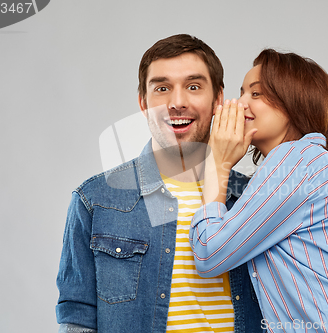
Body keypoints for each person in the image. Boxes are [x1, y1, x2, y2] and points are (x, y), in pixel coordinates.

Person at [56, 34, 263, 333]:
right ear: (143, 102)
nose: (177, 102)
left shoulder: (258, 198)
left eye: (193, 87)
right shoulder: (94, 201)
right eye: (162, 88)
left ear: (218, 99)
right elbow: (77, 320)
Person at [190, 49, 328, 332]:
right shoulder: (305, 163)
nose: (239, 105)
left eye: (257, 94)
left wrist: (218, 162)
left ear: (292, 102)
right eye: (242, 93)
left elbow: (208, 252)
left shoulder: (298, 162)